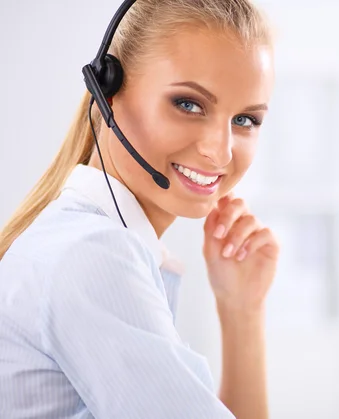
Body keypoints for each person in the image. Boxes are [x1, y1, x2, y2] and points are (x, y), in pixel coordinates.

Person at [0, 0, 278, 418]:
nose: (220, 151)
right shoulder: (93, 254)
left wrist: (242, 310)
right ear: (107, 90)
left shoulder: (95, 245)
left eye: (245, 120)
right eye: (189, 104)